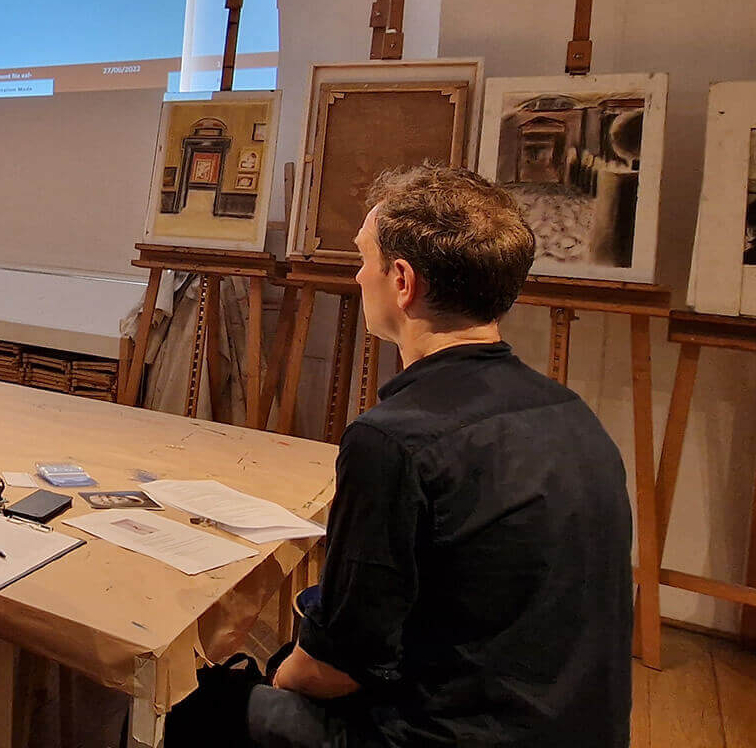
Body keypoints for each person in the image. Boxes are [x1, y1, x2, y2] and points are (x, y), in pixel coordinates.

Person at [171, 165, 632, 748]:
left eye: (366, 258)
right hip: (577, 730)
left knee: (199, 707)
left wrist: (275, 677)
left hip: (448, 735)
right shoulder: (570, 413)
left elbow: (333, 670)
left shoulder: (395, 440)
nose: (359, 274)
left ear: (403, 281)